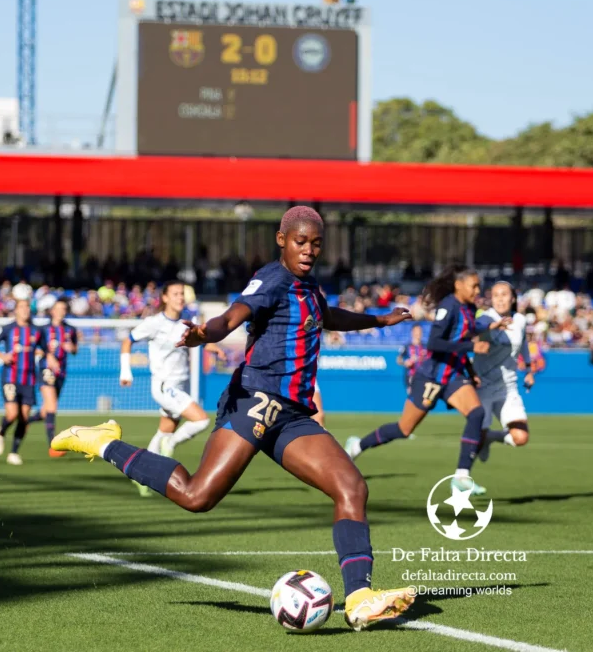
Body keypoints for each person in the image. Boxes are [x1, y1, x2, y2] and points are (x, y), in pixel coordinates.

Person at [51, 207, 415, 630]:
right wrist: (204, 334)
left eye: (316, 244)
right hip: (256, 401)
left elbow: (329, 316)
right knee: (196, 496)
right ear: (282, 240)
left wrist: (379, 319)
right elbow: (231, 318)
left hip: (292, 415)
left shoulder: (310, 287)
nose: (309, 250)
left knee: (351, 487)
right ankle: (101, 441)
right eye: (301, 242)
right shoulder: (272, 279)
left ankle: (359, 598)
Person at [344, 265, 501, 495]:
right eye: (473, 285)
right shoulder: (448, 306)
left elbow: (462, 338)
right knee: (404, 429)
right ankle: (357, 445)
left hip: (453, 375)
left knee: (476, 413)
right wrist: (472, 346)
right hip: (431, 376)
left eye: (478, 285)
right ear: (459, 285)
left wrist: (470, 369)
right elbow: (435, 344)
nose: (478, 289)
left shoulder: (468, 308)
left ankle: (461, 476)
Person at [119, 282, 226, 496]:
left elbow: (198, 340)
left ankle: (140, 476)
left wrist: (213, 347)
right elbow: (127, 341)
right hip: (164, 385)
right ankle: (172, 442)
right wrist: (125, 371)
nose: (180, 298)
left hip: (180, 385)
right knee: (201, 420)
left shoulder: (186, 323)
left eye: (182, 294)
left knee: (163, 431)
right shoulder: (154, 323)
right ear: (165, 298)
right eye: (175, 294)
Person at [473, 281, 535, 462]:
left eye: (504, 295)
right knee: (476, 442)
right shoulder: (486, 318)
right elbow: (475, 328)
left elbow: (523, 342)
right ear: (491, 299)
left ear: (513, 298)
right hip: (482, 387)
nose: (500, 299)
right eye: (496, 295)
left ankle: (492, 437)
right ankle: (464, 480)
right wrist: (492, 326)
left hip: (507, 388)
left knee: (521, 438)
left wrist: (529, 370)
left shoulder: (520, 320)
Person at [0, 299, 50, 465]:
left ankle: (14, 453)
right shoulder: (9, 328)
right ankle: (1, 432)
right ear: (15, 310)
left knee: (24, 418)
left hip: (29, 379)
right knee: (12, 413)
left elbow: (45, 349)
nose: (25, 310)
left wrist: (43, 354)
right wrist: (2, 356)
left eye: (27, 307)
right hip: (10, 377)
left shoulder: (36, 331)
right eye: (21, 307)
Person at [27, 298, 78, 458]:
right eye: (58, 308)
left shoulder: (70, 329)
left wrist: (72, 348)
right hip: (45, 369)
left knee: (45, 410)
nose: (61, 311)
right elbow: (33, 349)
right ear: (52, 311)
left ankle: (26, 421)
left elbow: (75, 349)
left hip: (61, 372)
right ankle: (53, 445)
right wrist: (48, 355)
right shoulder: (42, 329)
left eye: (64, 309)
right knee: (52, 405)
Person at [397, 324, 429, 391]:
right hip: (411, 378)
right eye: (416, 331)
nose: (418, 333)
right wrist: (405, 362)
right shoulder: (407, 346)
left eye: (420, 331)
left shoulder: (425, 346)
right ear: (412, 332)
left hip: (424, 377)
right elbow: (398, 359)